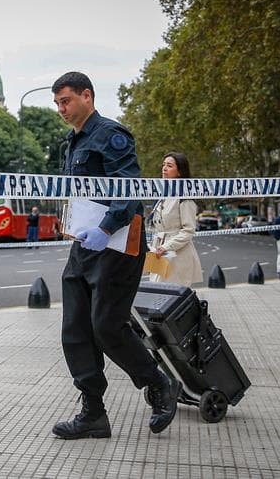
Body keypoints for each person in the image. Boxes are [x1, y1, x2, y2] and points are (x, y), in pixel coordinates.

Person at [50, 71, 180, 440]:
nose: (61, 109)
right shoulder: (69, 144)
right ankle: (93, 413)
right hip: (84, 245)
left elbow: (128, 187)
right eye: (57, 103)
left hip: (119, 241)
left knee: (106, 326)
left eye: (67, 101)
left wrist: (105, 227)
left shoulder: (111, 135)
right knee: (75, 329)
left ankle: (158, 383)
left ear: (87, 96)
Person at [148, 152, 203, 287]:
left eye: (169, 166)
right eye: (164, 165)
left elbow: (188, 230)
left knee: (171, 299)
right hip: (159, 254)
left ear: (179, 172)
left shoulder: (185, 198)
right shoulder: (162, 195)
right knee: (157, 293)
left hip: (178, 256)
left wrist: (166, 247)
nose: (164, 168)